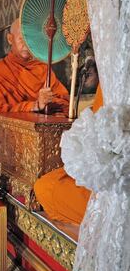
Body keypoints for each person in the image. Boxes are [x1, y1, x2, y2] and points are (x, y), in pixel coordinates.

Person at [33, 85, 103, 225]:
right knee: (45, 186)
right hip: (105, 167)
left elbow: (63, 101)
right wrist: (36, 105)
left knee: (47, 189)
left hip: (114, 175)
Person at [0, 18, 69, 115]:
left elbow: (64, 102)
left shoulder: (43, 69)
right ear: (10, 39)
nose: (26, 45)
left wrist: (50, 102)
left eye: (30, 39)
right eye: (21, 39)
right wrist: (34, 106)